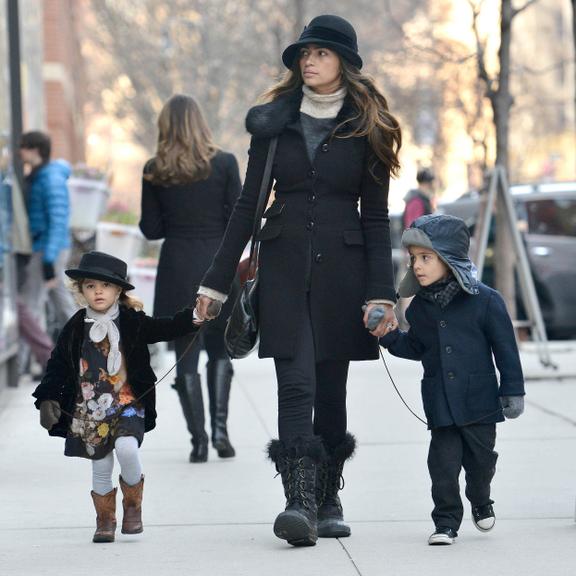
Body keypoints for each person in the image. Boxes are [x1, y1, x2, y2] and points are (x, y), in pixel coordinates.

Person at [195, 14, 401, 547]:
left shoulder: (369, 126)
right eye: (304, 54)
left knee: (331, 389)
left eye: (321, 53)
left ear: (345, 64)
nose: (308, 61)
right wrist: (216, 283)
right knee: (296, 383)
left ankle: (329, 497)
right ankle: (299, 504)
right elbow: (247, 205)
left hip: (346, 270)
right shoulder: (272, 123)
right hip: (283, 264)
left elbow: (377, 218)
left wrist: (382, 293)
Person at [32, 251, 201, 543]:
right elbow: (57, 364)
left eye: (105, 286)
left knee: (127, 449)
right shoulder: (74, 327)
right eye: (90, 286)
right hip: (90, 411)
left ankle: (132, 505)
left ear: (118, 290)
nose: (98, 291)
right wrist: (48, 399)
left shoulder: (131, 322)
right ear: (81, 290)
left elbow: (166, 327)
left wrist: (195, 316)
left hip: (128, 404)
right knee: (101, 465)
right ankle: (105, 520)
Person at [378, 214, 525, 546]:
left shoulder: (485, 301)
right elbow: (415, 346)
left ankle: (480, 498)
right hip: (441, 405)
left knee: (481, 464)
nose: (417, 266)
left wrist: (512, 391)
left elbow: (506, 350)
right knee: (441, 469)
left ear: (449, 258)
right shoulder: (418, 310)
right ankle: (445, 522)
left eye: (426, 257)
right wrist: (387, 336)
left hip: (480, 404)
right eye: (414, 258)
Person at [139, 94, 241, 463]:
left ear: (165, 127)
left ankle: (197, 441)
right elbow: (239, 217)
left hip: (177, 266)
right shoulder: (226, 163)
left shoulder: (155, 170)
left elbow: (150, 229)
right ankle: (221, 433)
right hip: (218, 265)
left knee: (186, 353)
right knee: (219, 349)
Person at [19, 131, 77, 330]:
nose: (19, 152)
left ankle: (31, 357)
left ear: (34, 150)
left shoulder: (50, 178)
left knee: (30, 305)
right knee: (59, 301)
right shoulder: (38, 176)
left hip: (47, 248)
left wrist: (48, 259)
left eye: (23, 147)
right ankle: (85, 347)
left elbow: (58, 221)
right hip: (46, 247)